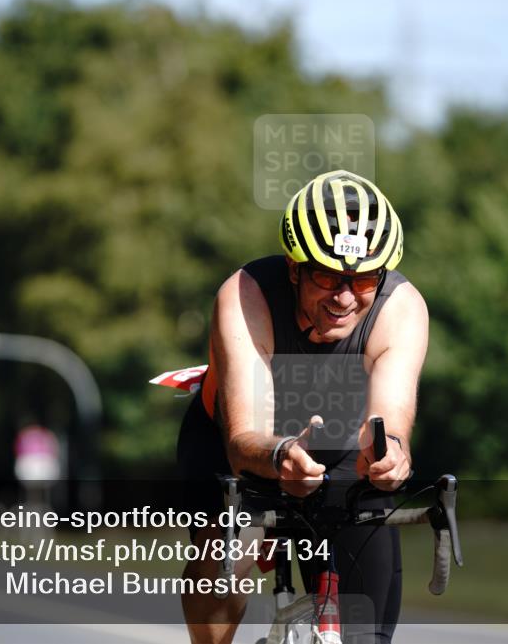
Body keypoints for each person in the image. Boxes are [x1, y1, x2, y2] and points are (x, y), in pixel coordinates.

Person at [175, 170, 428, 644]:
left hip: (341, 448)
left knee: (367, 632)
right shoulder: (247, 294)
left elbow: (390, 418)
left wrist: (391, 454)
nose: (346, 297)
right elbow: (242, 438)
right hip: (237, 443)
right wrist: (280, 455)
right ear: (295, 269)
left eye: (365, 279)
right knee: (226, 566)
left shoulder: (401, 308)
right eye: (329, 276)